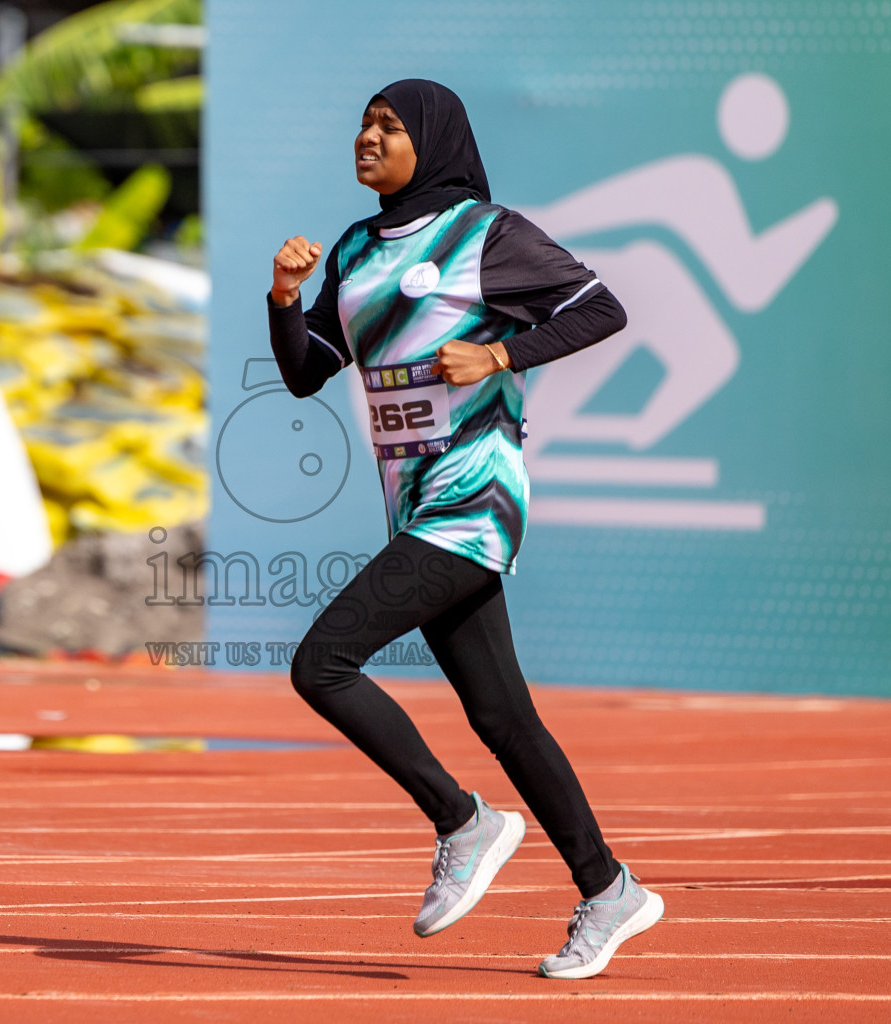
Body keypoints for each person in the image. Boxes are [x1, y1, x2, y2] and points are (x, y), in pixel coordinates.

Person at [265, 79, 663, 980]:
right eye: (363, 121)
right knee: (503, 717)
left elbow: (602, 307)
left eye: (389, 125)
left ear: (432, 141)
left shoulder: (485, 234)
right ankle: (610, 892)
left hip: (474, 494)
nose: (367, 135)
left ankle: (461, 819)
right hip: (415, 504)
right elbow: (304, 374)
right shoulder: (361, 248)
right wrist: (287, 299)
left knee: (321, 664)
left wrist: (500, 351)